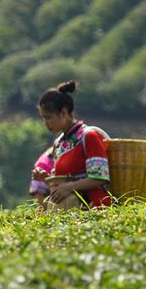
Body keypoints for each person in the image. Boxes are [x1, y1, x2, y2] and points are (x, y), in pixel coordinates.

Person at [32, 80, 111, 208]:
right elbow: (63, 183)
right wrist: (46, 178)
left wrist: (69, 187)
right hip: (70, 208)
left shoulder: (88, 136)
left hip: (95, 206)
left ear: (63, 112)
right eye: (43, 118)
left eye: (48, 117)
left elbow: (100, 178)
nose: (45, 123)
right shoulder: (58, 143)